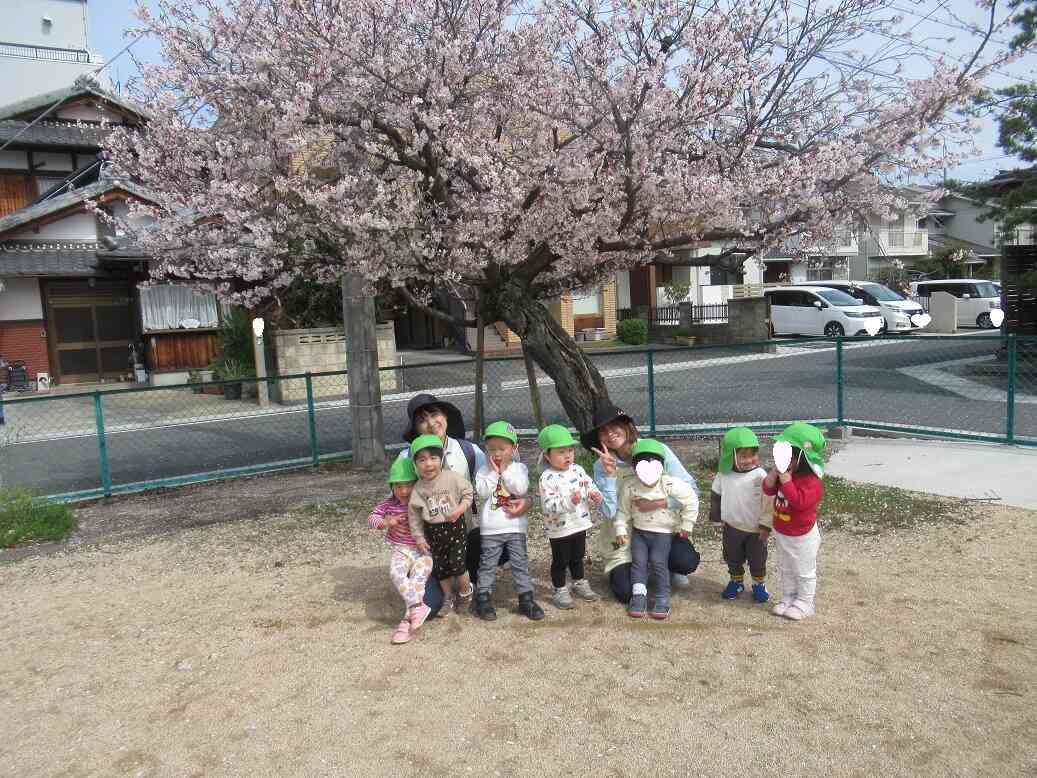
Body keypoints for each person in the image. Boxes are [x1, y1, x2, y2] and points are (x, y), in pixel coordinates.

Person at [398, 394, 530, 616]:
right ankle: (442, 580)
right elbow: (398, 501)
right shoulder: (406, 457)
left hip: (463, 538)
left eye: (435, 414)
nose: (431, 423)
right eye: (422, 420)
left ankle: (471, 581)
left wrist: (527, 501)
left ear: (445, 417)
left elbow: (510, 473)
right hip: (430, 546)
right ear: (416, 428)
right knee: (430, 607)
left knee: (506, 540)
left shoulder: (469, 451)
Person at [581, 403, 701, 603]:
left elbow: (691, 490)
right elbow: (610, 513)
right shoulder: (601, 466)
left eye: (614, 426)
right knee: (625, 592)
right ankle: (638, 567)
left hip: (660, 528)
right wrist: (610, 477)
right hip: (625, 535)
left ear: (627, 426)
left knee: (686, 561)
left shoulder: (657, 450)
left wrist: (660, 503)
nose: (610, 434)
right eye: (603, 431)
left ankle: (667, 566)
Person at [612, 439, 698, 620]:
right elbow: (622, 511)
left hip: (663, 534)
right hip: (639, 533)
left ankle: (662, 597)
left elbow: (691, 500)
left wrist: (686, 525)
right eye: (642, 466)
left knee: (659, 562)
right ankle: (639, 596)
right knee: (639, 563)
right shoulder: (630, 486)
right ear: (634, 467)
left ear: (662, 465)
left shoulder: (669, 484)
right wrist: (620, 530)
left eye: (654, 463)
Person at [472, 421, 545, 621]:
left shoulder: (519, 468)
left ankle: (526, 597)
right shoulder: (483, 470)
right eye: (492, 449)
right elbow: (482, 492)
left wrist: (504, 471)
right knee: (488, 564)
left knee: (519, 562)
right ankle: (483, 596)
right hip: (491, 528)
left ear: (514, 449)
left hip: (515, 526)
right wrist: (495, 473)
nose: (497, 454)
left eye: (502, 449)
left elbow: (519, 489)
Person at [762, 423, 826, 621]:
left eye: (788, 455)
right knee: (786, 567)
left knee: (804, 570)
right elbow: (767, 490)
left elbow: (799, 503)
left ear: (802, 457)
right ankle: (789, 596)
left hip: (803, 534)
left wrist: (787, 481)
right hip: (782, 531)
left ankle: (806, 602)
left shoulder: (812, 482)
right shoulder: (785, 474)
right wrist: (773, 475)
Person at [367, 458, 433, 644]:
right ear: (392, 487)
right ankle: (417, 608)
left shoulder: (423, 501)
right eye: (398, 486)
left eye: (408, 485)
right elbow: (372, 517)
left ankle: (406, 623)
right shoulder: (389, 504)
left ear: (416, 484)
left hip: (424, 551)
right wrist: (384, 522)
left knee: (417, 581)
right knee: (396, 573)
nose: (403, 491)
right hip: (402, 549)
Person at [407, 434, 475, 613]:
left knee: (458, 565)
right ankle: (448, 597)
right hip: (433, 533)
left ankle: (465, 592)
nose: (428, 464)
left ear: (441, 458)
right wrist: (419, 538)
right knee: (440, 569)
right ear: (415, 464)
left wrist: (460, 509)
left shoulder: (452, 478)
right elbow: (414, 516)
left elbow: (469, 493)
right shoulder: (418, 489)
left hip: (455, 528)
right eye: (422, 460)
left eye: (433, 458)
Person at [537, 424, 604, 609]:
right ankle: (560, 588)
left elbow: (588, 484)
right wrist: (569, 501)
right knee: (561, 560)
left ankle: (579, 582)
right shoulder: (547, 478)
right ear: (547, 455)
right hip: (559, 528)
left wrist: (595, 494)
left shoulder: (578, 469)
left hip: (579, 523)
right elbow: (549, 506)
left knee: (577, 556)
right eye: (561, 452)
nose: (567, 455)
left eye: (570, 450)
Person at [710, 427, 771, 603]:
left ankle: (759, 584)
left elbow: (768, 500)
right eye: (743, 456)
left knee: (757, 558)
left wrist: (766, 525)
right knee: (732, 556)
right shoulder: (724, 474)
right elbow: (716, 494)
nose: (749, 460)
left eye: (753, 455)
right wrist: (716, 517)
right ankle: (736, 581)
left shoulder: (759, 475)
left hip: (755, 529)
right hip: (732, 527)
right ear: (731, 455)